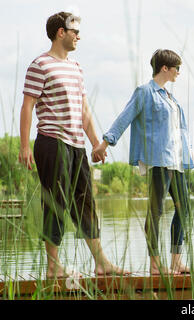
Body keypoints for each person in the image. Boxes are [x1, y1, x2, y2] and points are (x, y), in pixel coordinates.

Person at [18, 12, 129, 279]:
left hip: (77, 146)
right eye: (74, 31)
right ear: (60, 32)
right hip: (52, 142)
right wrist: (24, 146)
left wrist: (95, 144)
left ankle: (101, 262)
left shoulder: (77, 68)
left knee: (85, 202)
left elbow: (84, 110)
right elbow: (27, 106)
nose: (79, 36)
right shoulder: (40, 65)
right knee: (55, 203)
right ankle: (53, 267)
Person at [92, 49, 194, 275]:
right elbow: (124, 117)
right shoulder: (145, 92)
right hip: (157, 160)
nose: (179, 73)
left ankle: (176, 261)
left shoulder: (172, 99)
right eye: (177, 68)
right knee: (155, 212)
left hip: (177, 162)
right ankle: (155, 265)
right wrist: (105, 144)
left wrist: (193, 160)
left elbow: (181, 133)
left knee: (185, 210)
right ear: (165, 68)